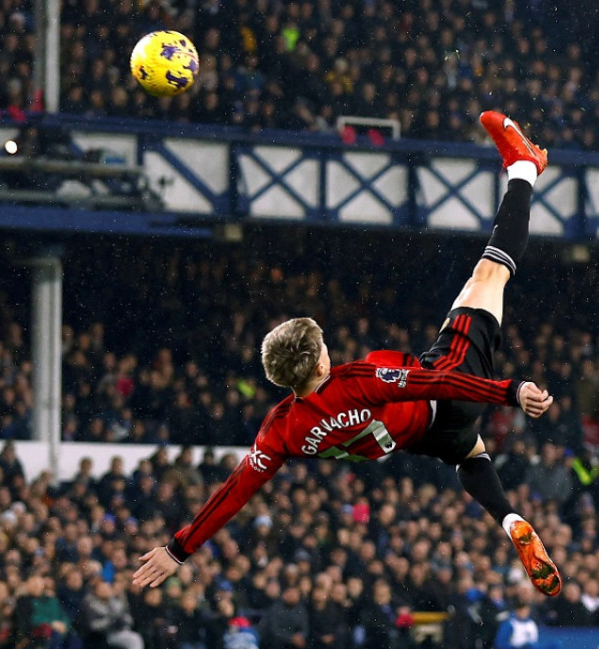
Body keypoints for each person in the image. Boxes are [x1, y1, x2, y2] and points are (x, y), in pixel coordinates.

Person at [134, 111, 561, 597]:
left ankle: (508, 519)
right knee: (489, 274)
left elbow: (236, 491)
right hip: (449, 386)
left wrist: (179, 548)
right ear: (319, 362)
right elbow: (435, 382)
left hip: (427, 438)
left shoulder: (282, 429)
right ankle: (524, 168)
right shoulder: (359, 378)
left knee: (470, 452)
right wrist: (510, 390)